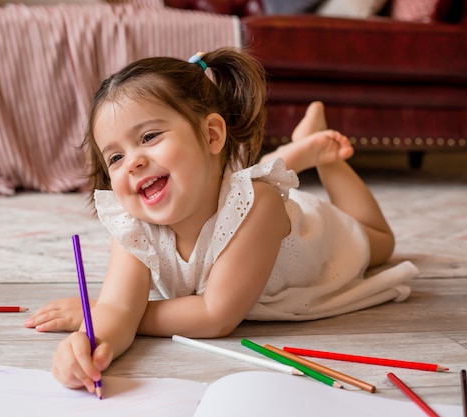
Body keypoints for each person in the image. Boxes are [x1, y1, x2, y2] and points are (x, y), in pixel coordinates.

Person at [24, 48, 418, 394]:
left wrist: (110, 311)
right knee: (242, 176)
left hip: (313, 236)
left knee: (380, 243)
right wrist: (87, 341)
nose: (134, 162)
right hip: (234, 195)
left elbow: (215, 316)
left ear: (212, 134)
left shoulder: (259, 204)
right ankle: (296, 151)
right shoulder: (133, 223)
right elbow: (118, 313)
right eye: (115, 158)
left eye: (148, 137)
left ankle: (327, 159)